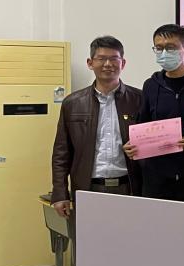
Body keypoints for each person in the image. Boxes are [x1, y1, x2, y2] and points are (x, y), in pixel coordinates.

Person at [124, 24, 184, 203]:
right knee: (156, 220)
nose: (164, 53)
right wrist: (134, 145)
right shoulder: (151, 85)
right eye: (159, 48)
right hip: (156, 176)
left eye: (171, 47)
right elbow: (143, 125)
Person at [51, 35, 142, 214]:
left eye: (114, 58)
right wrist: (60, 193)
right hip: (88, 189)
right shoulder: (72, 103)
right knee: (88, 233)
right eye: (101, 59)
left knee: (130, 233)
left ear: (123, 63)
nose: (108, 64)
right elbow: (61, 153)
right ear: (90, 63)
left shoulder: (139, 99)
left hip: (129, 188)